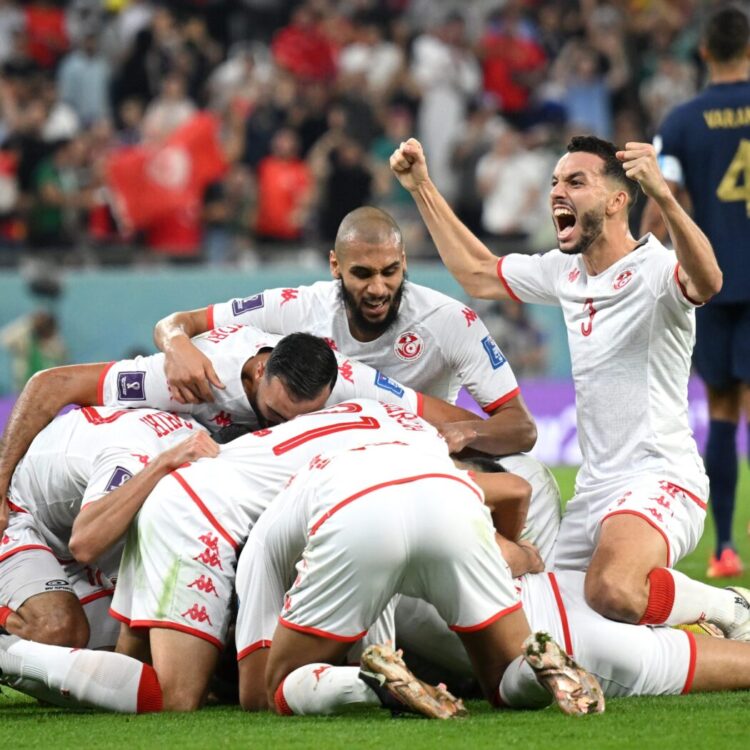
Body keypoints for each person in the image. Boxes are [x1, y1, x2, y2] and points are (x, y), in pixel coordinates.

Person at [387, 134, 750, 639]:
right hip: (594, 491)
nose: (558, 191)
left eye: (576, 181)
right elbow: (477, 273)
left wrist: (664, 195)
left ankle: (731, 607)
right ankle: (673, 633)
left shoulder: (655, 270)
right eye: (555, 181)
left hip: (659, 477)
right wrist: (420, 185)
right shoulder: (565, 272)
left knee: (613, 590)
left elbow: (708, 281)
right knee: (548, 622)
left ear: (618, 199)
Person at [8, 398, 534, 713]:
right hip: (193, 513)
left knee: (137, 661)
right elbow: (508, 496)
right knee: (175, 696)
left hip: (205, 496)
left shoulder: (379, 422)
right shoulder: (423, 449)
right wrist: (523, 556)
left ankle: (372, 681)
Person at [234, 439, 603, 719]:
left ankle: (372, 685)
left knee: (280, 683)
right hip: (450, 501)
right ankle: (542, 665)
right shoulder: (410, 447)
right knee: (504, 678)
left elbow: (254, 691)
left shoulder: (268, 528)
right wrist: (518, 551)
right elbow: (516, 488)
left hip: (355, 514)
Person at [153, 206, 537, 458]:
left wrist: (467, 434)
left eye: (390, 271)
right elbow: (177, 322)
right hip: (315, 461)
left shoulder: (450, 321)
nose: (377, 288)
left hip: (411, 461)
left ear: (404, 262)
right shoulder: (298, 307)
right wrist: (176, 345)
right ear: (335, 265)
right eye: (362, 274)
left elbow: (521, 428)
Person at [0, 330, 469, 535]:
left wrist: (476, 435)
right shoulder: (191, 378)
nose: (282, 429)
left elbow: (437, 413)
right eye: (274, 414)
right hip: (106, 469)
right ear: (261, 371)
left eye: (298, 420)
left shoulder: (344, 379)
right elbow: (51, 383)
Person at [640, 6, 750, 579]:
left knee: (724, 410)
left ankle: (725, 546)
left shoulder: (682, 121)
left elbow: (666, 197)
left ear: (703, 52)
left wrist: (631, 260)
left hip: (712, 283)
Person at [0, 405, 215, 657]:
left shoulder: (207, 460)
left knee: (93, 669)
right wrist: (162, 464)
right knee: (57, 631)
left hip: (72, 518)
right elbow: (85, 543)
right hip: (17, 508)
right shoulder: (136, 462)